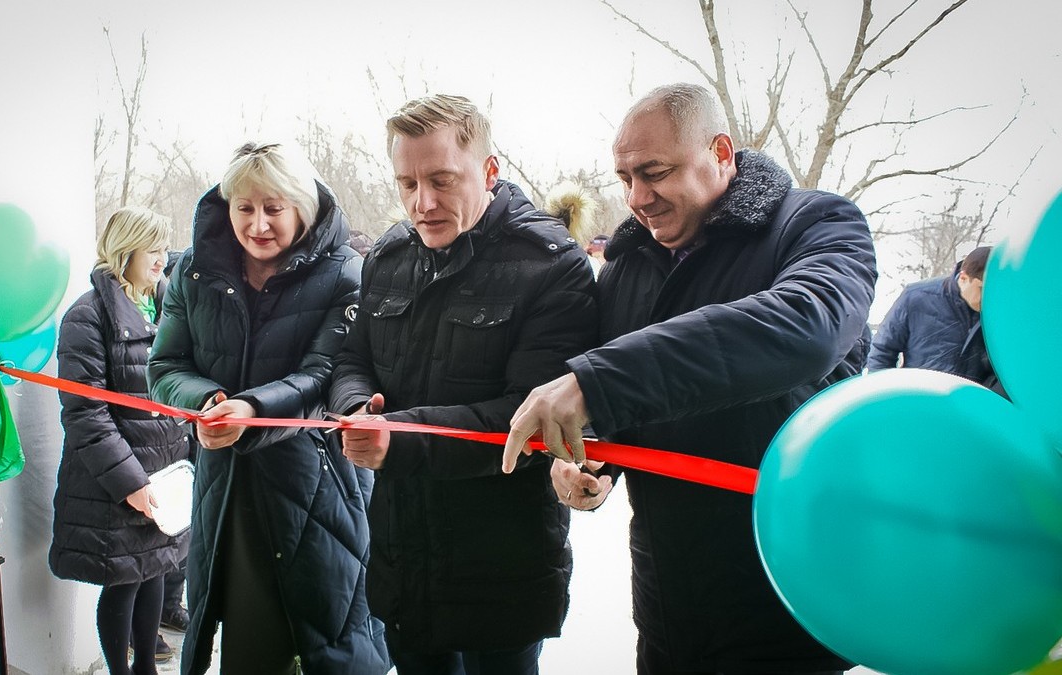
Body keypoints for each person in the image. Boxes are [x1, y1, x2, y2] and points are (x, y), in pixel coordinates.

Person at [502, 83, 877, 674]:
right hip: (668, 593)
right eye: (624, 178)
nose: (637, 198)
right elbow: (624, 407)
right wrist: (591, 462)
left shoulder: (816, 223)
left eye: (655, 173)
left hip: (789, 585)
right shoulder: (625, 267)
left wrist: (597, 385)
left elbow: (808, 325)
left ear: (721, 152)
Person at [327, 94, 599, 675]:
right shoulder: (388, 257)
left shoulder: (552, 265)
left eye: (442, 180)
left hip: (500, 563)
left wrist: (397, 437)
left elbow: (528, 420)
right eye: (407, 184)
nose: (422, 204)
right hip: (404, 554)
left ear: (490, 171)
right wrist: (357, 408)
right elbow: (353, 359)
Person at [147, 142, 389, 675]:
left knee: (335, 641)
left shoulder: (348, 272)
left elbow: (326, 375)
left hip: (321, 489)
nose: (258, 224)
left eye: (274, 208)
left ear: (301, 205)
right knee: (248, 646)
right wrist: (206, 402)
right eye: (245, 208)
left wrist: (248, 410)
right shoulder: (193, 271)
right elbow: (164, 366)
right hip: (227, 494)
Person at [49, 206, 190, 675]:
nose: (160, 258)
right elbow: (86, 412)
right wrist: (130, 481)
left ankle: (146, 667)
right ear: (125, 250)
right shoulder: (87, 317)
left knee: (152, 570)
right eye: (152, 248)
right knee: (123, 581)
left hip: (163, 473)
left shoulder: (167, 307)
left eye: (162, 247)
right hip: (118, 479)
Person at [868, 245, 994, 383]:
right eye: (982, 289)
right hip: (918, 398)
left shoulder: (1002, 314)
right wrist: (887, 397)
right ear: (963, 278)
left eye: (993, 291)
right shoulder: (916, 297)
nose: (989, 298)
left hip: (971, 401)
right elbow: (881, 352)